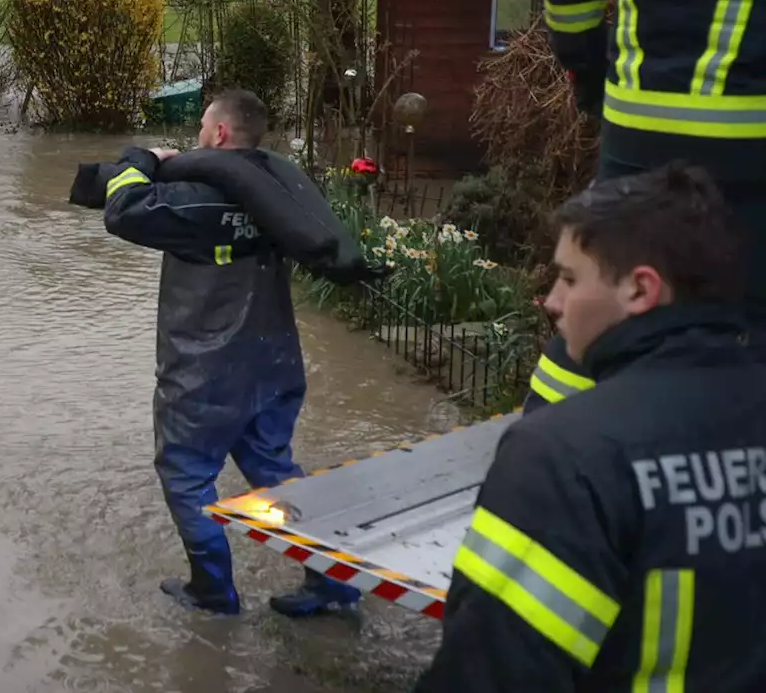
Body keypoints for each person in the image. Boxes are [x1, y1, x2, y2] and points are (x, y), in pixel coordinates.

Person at [415, 162, 766, 691]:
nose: (552, 302)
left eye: (570, 278)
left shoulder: (563, 457)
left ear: (640, 290)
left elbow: (491, 671)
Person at [98, 89, 365, 617]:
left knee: (186, 475)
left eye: (201, 127)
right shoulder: (281, 196)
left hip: (203, 375)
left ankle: (213, 591)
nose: (197, 136)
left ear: (219, 135)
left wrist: (142, 160)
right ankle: (333, 580)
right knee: (273, 470)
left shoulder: (196, 201)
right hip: (273, 367)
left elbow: (122, 210)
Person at [526, 0, 766, 412]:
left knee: (605, 294)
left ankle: (543, 450)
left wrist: (592, 76)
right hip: (753, 144)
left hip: (643, 123)